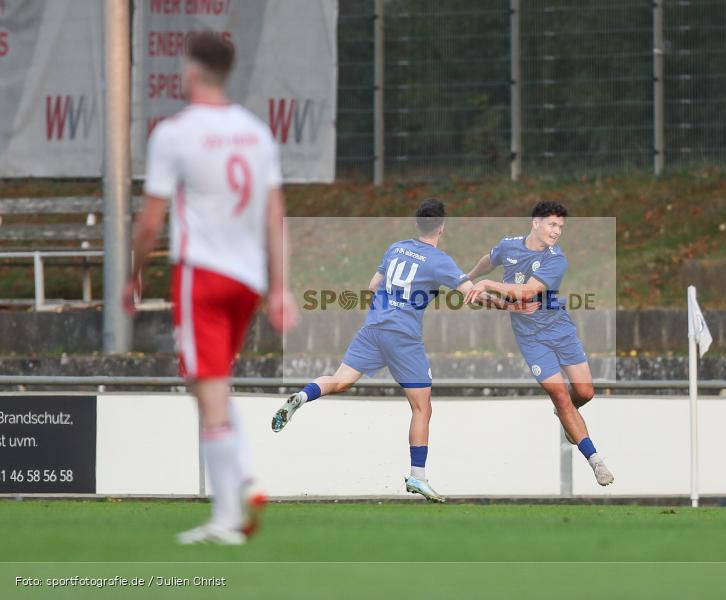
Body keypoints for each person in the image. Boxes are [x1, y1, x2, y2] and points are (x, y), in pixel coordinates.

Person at [123, 31, 298, 544]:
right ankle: (239, 484)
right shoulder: (256, 133)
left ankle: (232, 505)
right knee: (210, 382)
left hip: (201, 272)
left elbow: (151, 221)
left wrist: (133, 273)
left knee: (207, 390)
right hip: (247, 280)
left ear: (192, 70)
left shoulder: (175, 133)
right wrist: (281, 288)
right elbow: (275, 214)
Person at [272, 199, 514, 502]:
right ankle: (418, 476)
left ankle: (303, 395)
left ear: (417, 224)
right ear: (441, 227)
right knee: (422, 407)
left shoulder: (396, 248)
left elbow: (373, 286)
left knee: (341, 380)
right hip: (403, 337)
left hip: (373, 328)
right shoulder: (439, 261)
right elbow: (472, 294)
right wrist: (505, 306)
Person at [464, 200, 614, 487]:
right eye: (552, 224)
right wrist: (470, 278)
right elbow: (490, 258)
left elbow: (528, 292)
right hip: (531, 339)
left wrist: (488, 286)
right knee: (560, 395)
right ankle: (596, 461)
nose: (557, 231)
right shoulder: (509, 246)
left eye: (561, 227)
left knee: (584, 392)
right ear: (536, 222)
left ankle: (566, 412)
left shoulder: (556, 259)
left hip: (560, 329)